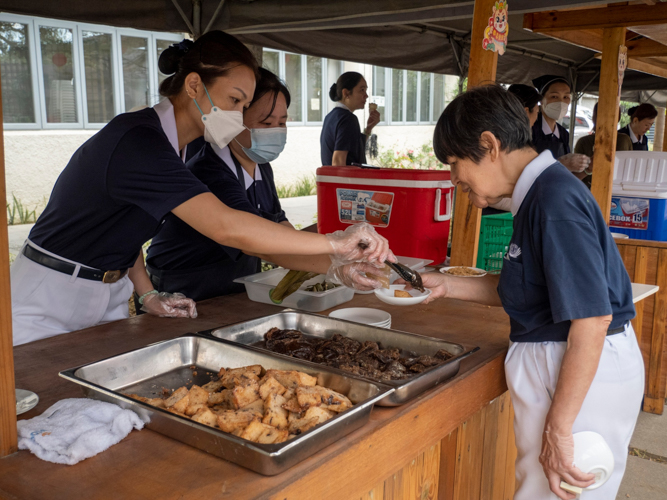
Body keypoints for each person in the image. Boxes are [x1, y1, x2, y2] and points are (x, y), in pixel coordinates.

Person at [11, 32, 392, 346]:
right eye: (234, 100)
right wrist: (336, 247)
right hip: (52, 290)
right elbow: (228, 226)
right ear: (194, 85)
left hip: (109, 291)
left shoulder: (179, 144)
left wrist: (145, 294)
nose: (238, 115)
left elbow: (126, 228)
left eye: (244, 104)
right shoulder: (140, 141)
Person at [408, 85, 643, 500]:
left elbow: (592, 318)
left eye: (454, 162)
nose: (453, 178)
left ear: (489, 145)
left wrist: (559, 427)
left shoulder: (554, 199)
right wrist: (445, 283)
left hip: (579, 375)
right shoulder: (535, 196)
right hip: (564, 370)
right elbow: (530, 287)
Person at [146, 68, 294, 300]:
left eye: (282, 123)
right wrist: (330, 255)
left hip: (232, 288)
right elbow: (254, 242)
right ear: (235, 119)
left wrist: (330, 241)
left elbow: (278, 222)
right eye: (266, 123)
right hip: (184, 287)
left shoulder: (260, 165)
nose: (275, 132)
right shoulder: (208, 172)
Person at [531, 75, 590, 174]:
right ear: (541, 100)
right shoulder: (531, 129)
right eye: (554, 96)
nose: (561, 102)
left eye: (566, 97)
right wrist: (562, 163)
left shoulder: (563, 134)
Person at [320, 72, 380, 166]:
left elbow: (353, 148)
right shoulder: (348, 119)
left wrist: (368, 128)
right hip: (342, 180)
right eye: (362, 90)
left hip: (329, 179)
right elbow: (338, 162)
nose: (366, 95)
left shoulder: (330, 117)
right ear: (346, 93)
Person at [574, 103, 633, 189]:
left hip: (616, 191)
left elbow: (629, 170)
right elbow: (575, 177)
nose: (607, 118)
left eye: (612, 115)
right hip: (590, 192)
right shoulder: (584, 142)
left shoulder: (624, 140)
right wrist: (589, 168)